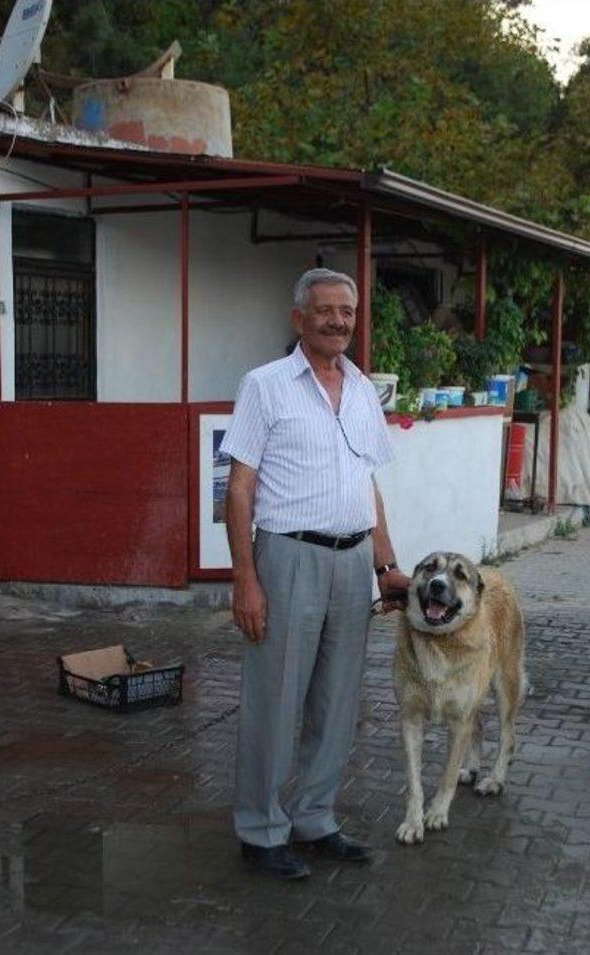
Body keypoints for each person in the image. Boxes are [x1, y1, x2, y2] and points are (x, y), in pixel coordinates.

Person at [221, 267, 410, 880]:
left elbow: (367, 484)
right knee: (276, 698)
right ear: (298, 318)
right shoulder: (265, 385)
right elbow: (240, 487)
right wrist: (245, 576)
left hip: (354, 561)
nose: (337, 321)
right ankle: (262, 830)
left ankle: (315, 818)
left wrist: (386, 564)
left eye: (347, 312)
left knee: (337, 699)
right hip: (287, 557)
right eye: (324, 310)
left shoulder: (361, 390)